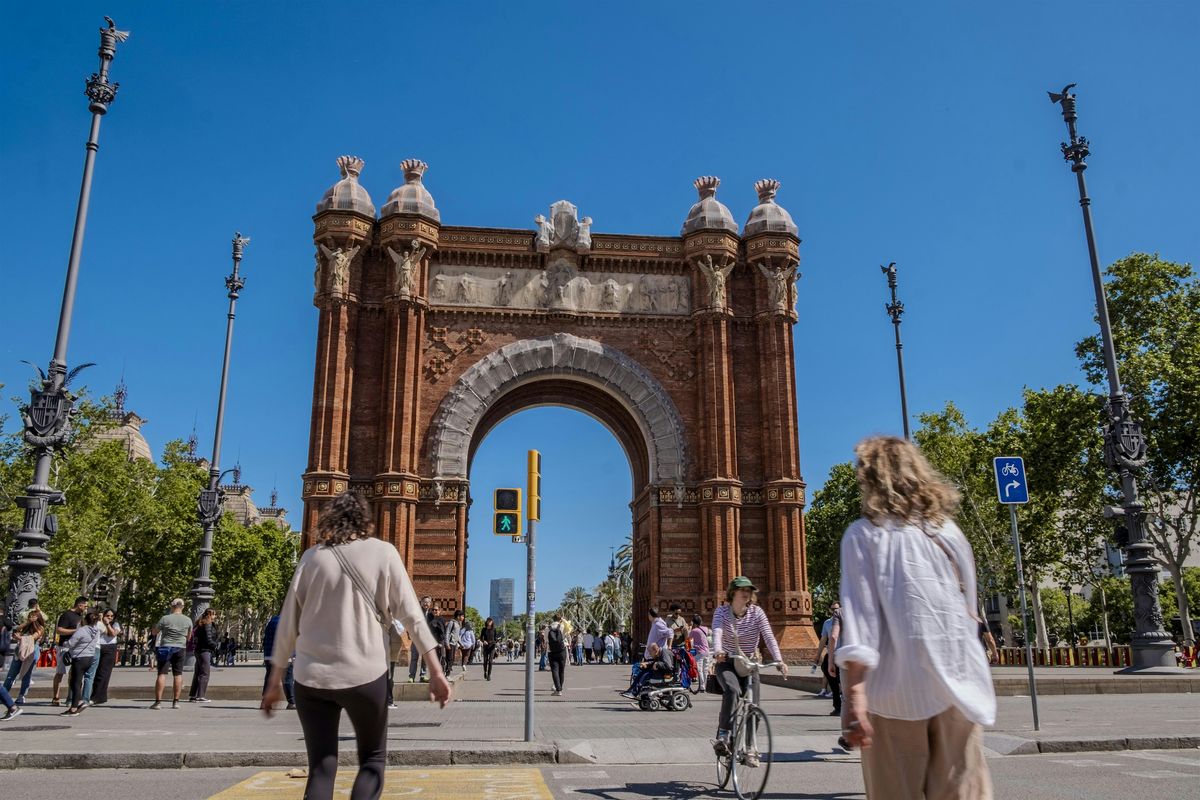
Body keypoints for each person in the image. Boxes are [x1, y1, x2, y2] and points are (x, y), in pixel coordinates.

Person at [261, 491, 451, 800]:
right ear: (365, 519)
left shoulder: (312, 557)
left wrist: (274, 681)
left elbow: (288, 625)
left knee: (321, 767)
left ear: (330, 519)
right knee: (372, 761)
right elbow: (413, 616)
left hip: (310, 679)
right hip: (365, 675)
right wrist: (435, 670)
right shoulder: (384, 552)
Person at [836, 435, 996, 800]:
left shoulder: (864, 535)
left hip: (893, 696)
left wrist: (855, 696)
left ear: (872, 478)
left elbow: (861, 623)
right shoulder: (950, 533)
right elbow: (967, 612)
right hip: (958, 688)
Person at [711, 577, 787, 763]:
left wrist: (779, 659)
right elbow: (717, 631)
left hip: (749, 663)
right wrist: (718, 651)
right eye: (741, 589)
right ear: (733, 592)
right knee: (732, 690)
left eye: (749, 590)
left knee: (754, 706)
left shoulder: (757, 613)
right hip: (727, 661)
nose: (746, 592)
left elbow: (768, 635)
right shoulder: (721, 612)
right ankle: (724, 735)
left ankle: (750, 749)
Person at [150, 598, 193, 710]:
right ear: (183, 607)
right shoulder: (188, 620)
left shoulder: (165, 618)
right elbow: (189, 637)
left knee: (162, 674)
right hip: (180, 648)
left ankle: (158, 702)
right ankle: (176, 701)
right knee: (178, 674)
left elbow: (155, 632)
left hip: (165, 647)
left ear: (172, 606)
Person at [4, 605, 45, 705]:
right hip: (20, 651)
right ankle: (4, 694)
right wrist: (28, 622)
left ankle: (21, 695)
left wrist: (19, 638)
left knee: (26, 674)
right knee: (11, 674)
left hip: (31, 651)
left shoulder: (40, 628)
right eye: (29, 616)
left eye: (32, 616)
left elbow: (33, 638)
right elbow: (17, 629)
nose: (30, 617)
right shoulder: (27, 625)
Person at [62, 611, 101, 716]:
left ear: (85, 620)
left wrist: (64, 643)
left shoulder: (82, 630)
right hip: (90, 657)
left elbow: (71, 643)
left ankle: (74, 708)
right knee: (81, 681)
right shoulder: (96, 631)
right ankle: (79, 702)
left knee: (75, 683)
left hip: (79, 658)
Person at [50, 596, 87, 706]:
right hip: (64, 647)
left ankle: (71, 698)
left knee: (75, 674)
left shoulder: (80, 616)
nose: (86, 608)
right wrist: (76, 631)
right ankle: (55, 697)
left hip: (76, 647)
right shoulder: (67, 615)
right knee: (60, 672)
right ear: (79, 605)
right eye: (85, 606)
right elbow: (59, 630)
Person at [89, 608, 122, 705]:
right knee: (95, 672)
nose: (110, 618)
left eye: (112, 616)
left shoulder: (115, 625)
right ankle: (98, 696)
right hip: (98, 647)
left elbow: (112, 634)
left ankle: (97, 697)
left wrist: (107, 624)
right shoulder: (98, 623)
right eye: (107, 616)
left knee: (103, 673)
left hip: (109, 649)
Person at [262, 613, 295, 709]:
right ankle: (291, 701)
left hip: (269, 656)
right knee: (287, 679)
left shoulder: (271, 622)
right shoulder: (289, 622)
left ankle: (265, 702)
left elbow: (265, 641)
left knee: (269, 678)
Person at [815, 602, 842, 716]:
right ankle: (838, 706)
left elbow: (834, 637)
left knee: (843, 681)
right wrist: (818, 654)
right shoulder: (827, 623)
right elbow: (824, 639)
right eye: (832, 609)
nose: (834, 611)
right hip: (833, 653)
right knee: (826, 670)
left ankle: (845, 705)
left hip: (843, 653)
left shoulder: (845, 619)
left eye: (836, 608)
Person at [189, 608, 218, 702]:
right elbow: (208, 638)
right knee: (205, 673)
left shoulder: (199, 623)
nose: (215, 616)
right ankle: (200, 696)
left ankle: (193, 695)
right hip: (205, 650)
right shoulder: (208, 624)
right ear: (210, 615)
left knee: (198, 672)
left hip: (198, 650)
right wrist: (215, 646)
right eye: (214, 614)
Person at [546, 613, 568, 696]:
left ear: (553, 619)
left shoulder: (548, 629)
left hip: (551, 651)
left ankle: (558, 690)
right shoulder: (562, 626)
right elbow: (569, 629)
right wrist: (563, 620)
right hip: (562, 651)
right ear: (560, 619)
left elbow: (546, 639)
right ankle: (560, 689)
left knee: (554, 670)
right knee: (561, 671)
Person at [689, 614, 712, 686]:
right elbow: (709, 633)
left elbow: (688, 637)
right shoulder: (705, 628)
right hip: (707, 651)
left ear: (694, 622)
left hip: (700, 652)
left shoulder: (694, 630)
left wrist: (690, 627)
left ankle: (702, 686)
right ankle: (705, 685)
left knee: (699, 669)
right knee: (705, 669)